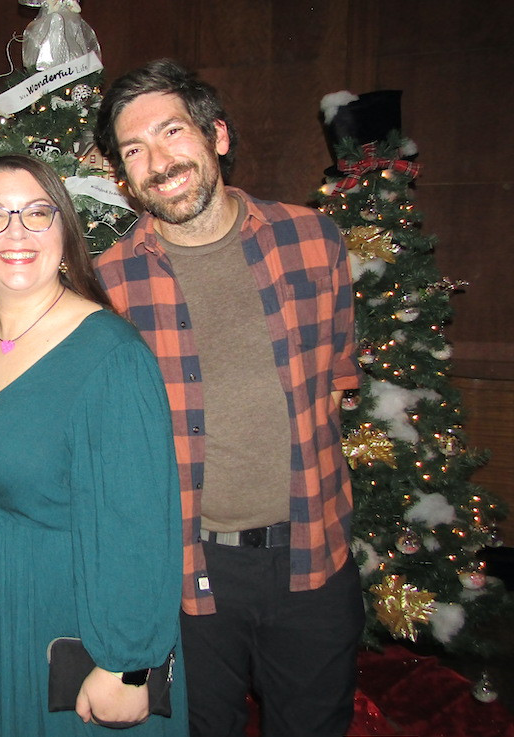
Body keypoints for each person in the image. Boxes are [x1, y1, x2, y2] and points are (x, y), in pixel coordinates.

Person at [92, 60, 364, 737]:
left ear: (215, 134)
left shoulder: (313, 241)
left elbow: (334, 390)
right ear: (122, 176)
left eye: (171, 131)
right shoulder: (106, 285)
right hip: (187, 573)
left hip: (313, 556)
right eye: (134, 150)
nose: (159, 162)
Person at [0, 154, 187, 735]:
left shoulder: (111, 354)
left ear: (65, 234)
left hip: (55, 621)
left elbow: (139, 522)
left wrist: (128, 666)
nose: (16, 232)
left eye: (37, 213)